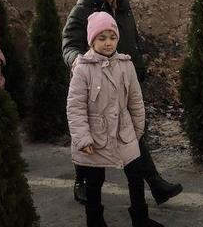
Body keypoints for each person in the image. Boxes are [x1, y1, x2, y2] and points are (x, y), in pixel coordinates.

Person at [61, 0, 182, 205]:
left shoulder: (122, 8)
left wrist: (138, 65)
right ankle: (82, 183)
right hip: (94, 81)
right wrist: (78, 63)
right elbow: (68, 45)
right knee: (90, 133)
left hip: (124, 78)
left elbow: (131, 40)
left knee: (130, 132)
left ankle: (155, 185)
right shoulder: (82, 11)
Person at [67, 11, 165, 227]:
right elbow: (75, 107)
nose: (108, 43)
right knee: (94, 181)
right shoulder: (83, 68)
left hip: (124, 131)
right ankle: (95, 220)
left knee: (136, 174)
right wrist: (83, 139)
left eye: (112, 37)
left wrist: (137, 131)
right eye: (102, 38)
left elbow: (136, 101)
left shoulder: (125, 65)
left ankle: (140, 217)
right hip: (95, 134)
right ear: (92, 40)